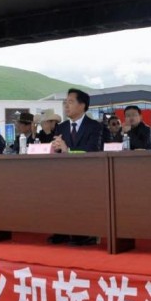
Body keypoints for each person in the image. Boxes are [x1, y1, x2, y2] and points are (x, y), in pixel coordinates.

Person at [49, 88, 103, 246]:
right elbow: (58, 150)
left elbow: (93, 150)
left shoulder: (95, 126)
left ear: (82, 105)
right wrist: (55, 147)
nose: (66, 105)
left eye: (70, 102)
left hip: (87, 174)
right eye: (65, 102)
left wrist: (68, 150)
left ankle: (86, 234)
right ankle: (64, 230)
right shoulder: (61, 127)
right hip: (64, 174)